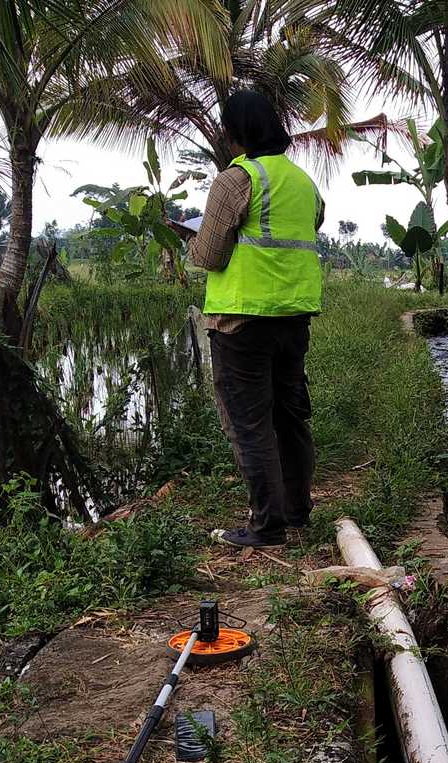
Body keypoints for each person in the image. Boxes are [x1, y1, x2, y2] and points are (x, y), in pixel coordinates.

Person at [185, 90, 324, 547]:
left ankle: (267, 526)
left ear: (236, 133)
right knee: (290, 417)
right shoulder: (303, 183)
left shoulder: (235, 180)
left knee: (251, 423)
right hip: (293, 318)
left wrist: (189, 239)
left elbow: (209, 255)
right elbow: (308, 227)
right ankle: (296, 511)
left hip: (241, 321)